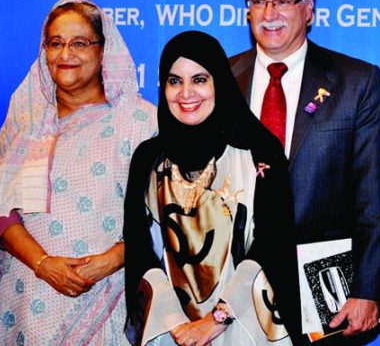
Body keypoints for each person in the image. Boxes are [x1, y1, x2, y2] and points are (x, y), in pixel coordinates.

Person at [228, 0, 380, 339]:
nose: (269, 13)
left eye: (283, 1)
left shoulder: (356, 82)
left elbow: (375, 199)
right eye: (257, 1)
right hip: (232, 287)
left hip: (324, 286)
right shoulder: (221, 81)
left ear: (309, 9)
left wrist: (368, 289)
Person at [0, 0, 156, 346]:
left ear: (103, 51)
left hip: (110, 294)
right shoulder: (29, 123)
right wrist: (43, 264)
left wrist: (108, 261)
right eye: (55, 43)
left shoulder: (138, 122)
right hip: (30, 297)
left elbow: (161, 215)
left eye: (79, 43)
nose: (65, 54)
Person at [124, 30, 301, 346]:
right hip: (171, 333)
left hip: (247, 327)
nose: (186, 93)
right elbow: (140, 251)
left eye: (199, 79)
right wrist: (177, 325)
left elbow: (274, 245)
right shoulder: (148, 160)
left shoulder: (259, 152)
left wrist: (217, 319)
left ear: (219, 82)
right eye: (174, 81)